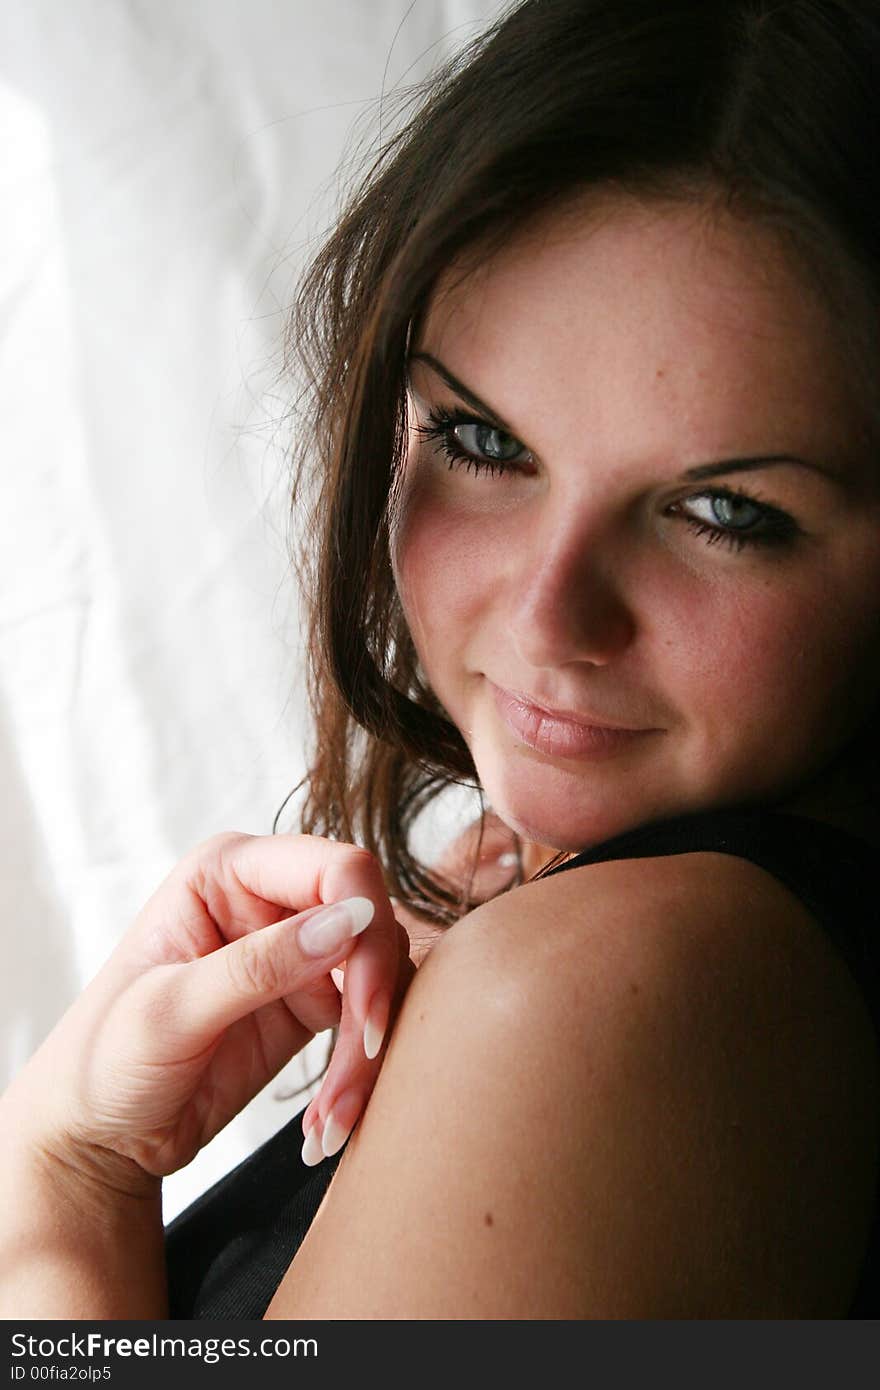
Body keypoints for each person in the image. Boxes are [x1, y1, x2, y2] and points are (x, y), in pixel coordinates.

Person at [2, 0, 880, 1320]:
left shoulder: (607, 993)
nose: (545, 616)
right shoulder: (567, 917)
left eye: (727, 512)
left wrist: (63, 1187)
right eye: (481, 442)